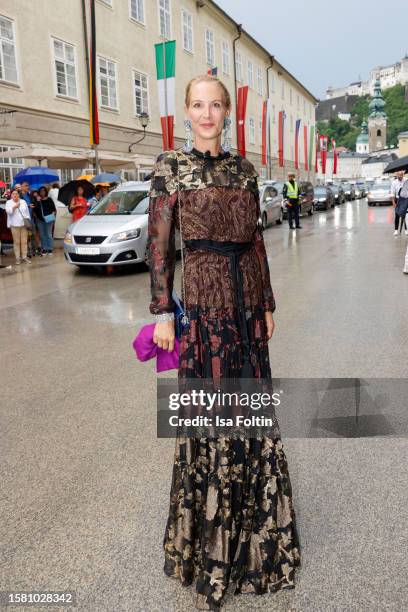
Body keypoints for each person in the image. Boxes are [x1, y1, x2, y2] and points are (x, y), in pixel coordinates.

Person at [147, 74, 300, 610]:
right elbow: (160, 247)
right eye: (197, 105)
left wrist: (267, 304)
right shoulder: (170, 169)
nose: (207, 113)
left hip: (245, 313)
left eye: (215, 105)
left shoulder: (245, 169)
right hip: (204, 316)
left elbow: (256, 242)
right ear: (186, 112)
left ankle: (255, 549)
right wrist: (164, 311)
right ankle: (211, 555)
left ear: (227, 113)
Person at [5, 188, 32, 265]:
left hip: (23, 225)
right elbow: (8, 212)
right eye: (13, 194)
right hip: (14, 225)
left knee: (24, 241)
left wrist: (27, 221)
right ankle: (17, 258)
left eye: (16, 194)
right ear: (11, 195)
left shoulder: (23, 201)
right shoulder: (8, 202)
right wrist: (14, 207)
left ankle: (24, 257)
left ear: (19, 195)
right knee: (16, 242)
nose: (15, 195)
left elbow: (27, 212)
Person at [33, 185, 57, 255]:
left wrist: (53, 214)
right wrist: (37, 201)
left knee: (49, 234)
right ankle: (44, 248)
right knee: (42, 235)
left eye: (43, 191)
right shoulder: (37, 200)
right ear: (39, 192)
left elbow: (54, 210)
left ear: (46, 192)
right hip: (40, 220)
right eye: (41, 191)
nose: (42, 192)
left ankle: (50, 248)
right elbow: (34, 210)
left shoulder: (49, 199)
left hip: (49, 219)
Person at [391, 171, 408, 235]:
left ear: (403, 175)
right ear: (396, 175)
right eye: (399, 175)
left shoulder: (406, 180)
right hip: (398, 199)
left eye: (401, 175)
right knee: (397, 215)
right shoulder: (394, 182)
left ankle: (406, 229)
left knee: (405, 215)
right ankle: (396, 230)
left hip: (405, 199)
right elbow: (392, 193)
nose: (400, 176)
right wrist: (393, 203)